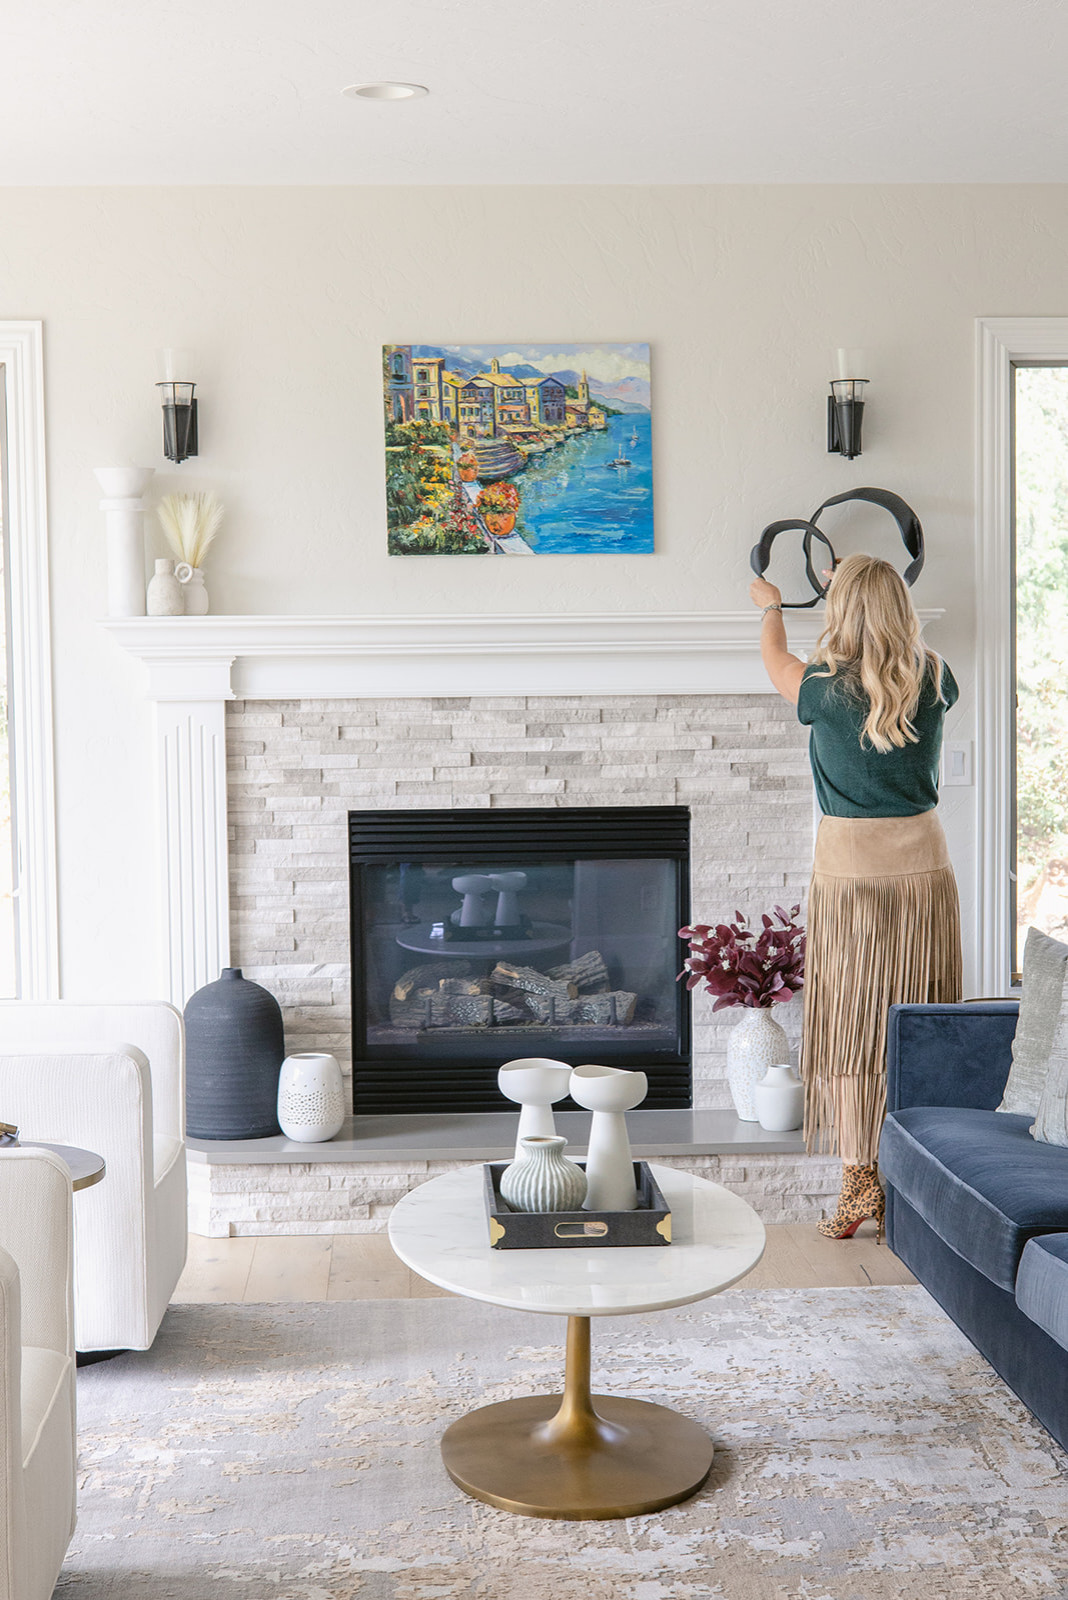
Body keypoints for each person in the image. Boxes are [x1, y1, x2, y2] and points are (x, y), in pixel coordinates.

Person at [749, 553, 962, 1239]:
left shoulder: (821, 688)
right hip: (924, 877)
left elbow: (774, 657)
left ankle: (857, 1179)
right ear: (902, 608)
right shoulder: (935, 678)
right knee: (918, 1022)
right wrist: (863, 577)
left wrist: (770, 605)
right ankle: (920, 1175)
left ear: (838, 610)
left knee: (849, 1028)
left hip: (850, 880)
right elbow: (891, 641)